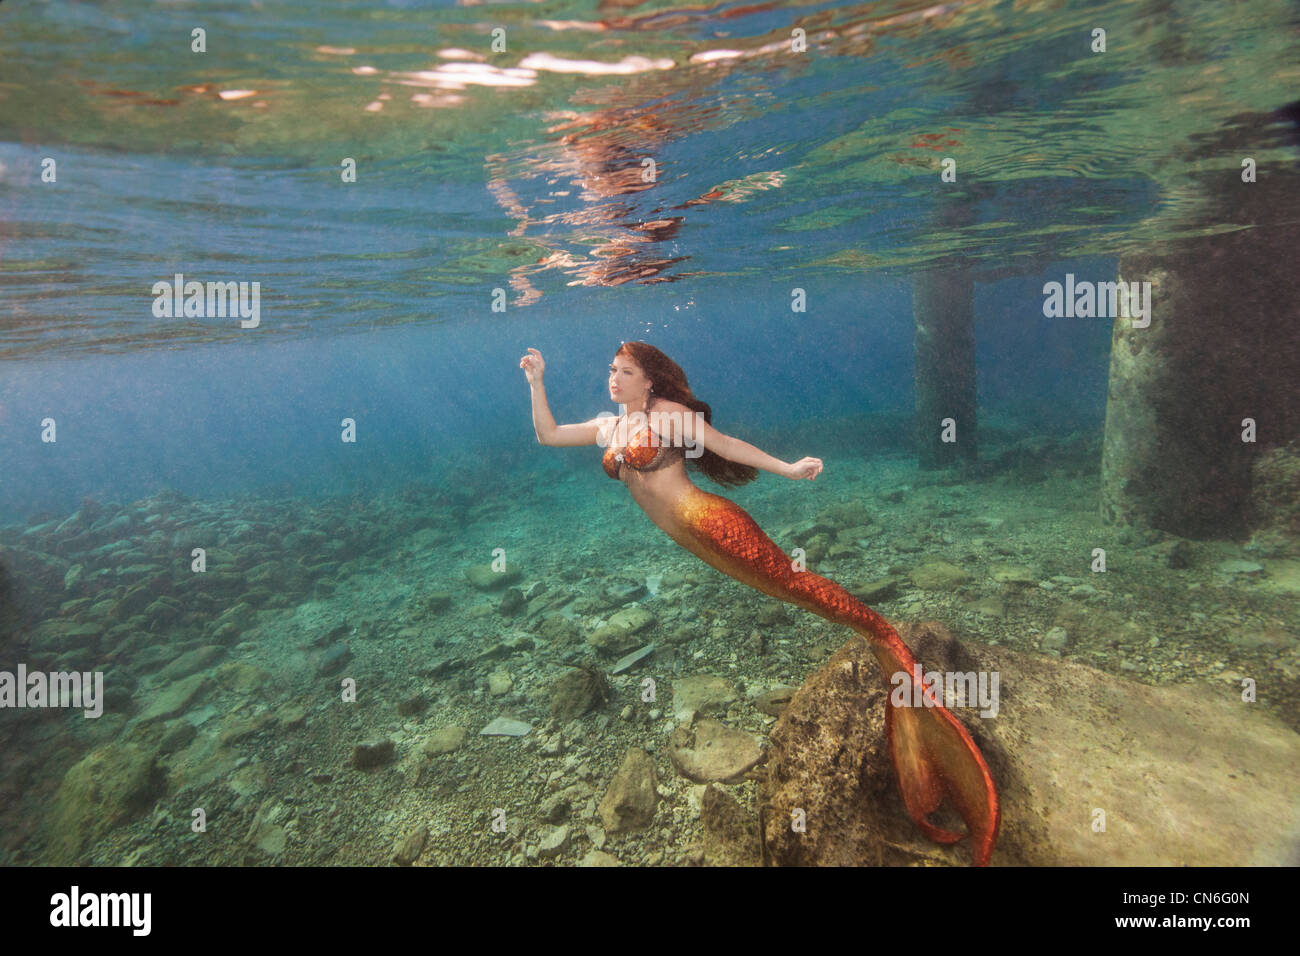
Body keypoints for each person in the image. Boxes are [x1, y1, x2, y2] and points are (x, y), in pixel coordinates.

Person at [520, 341, 999, 865]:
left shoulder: (669, 418)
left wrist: (788, 469)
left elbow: (725, 444)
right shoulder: (611, 427)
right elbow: (547, 435)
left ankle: (889, 645)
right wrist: (536, 380)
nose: (614, 378)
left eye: (626, 371)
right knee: (803, 594)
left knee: (806, 591)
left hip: (713, 526)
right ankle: (887, 651)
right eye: (612, 369)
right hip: (694, 540)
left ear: (650, 381)